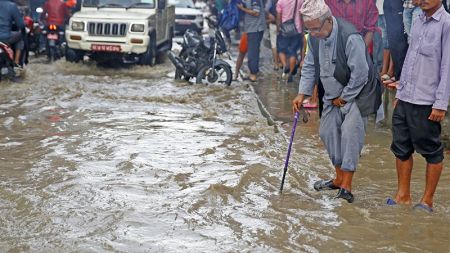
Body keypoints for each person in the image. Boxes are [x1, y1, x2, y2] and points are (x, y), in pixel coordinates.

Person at [292, 0, 370, 203]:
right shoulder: (314, 37)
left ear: (328, 21)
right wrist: (303, 93)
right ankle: (338, 178)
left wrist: (344, 98)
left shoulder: (350, 36)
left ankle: (347, 186)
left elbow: (361, 74)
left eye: (315, 29)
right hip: (330, 95)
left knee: (350, 135)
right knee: (327, 133)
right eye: (309, 30)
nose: (313, 34)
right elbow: (309, 65)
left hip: (355, 93)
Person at [384, 0, 450, 213]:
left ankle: (427, 201)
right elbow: (410, 58)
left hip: (427, 100)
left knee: (432, 151)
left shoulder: (446, 24)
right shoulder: (416, 20)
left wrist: (440, 104)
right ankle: (403, 195)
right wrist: (401, 92)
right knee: (401, 148)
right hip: (406, 97)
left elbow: (447, 67)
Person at [237, 0, 266, 82]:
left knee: (253, 52)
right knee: (254, 51)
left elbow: (256, 13)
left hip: (255, 28)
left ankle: (253, 74)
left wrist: (242, 8)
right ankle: (253, 72)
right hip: (253, 28)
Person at [276, 0, 303, 83]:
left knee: (281, 49)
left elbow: (278, 17)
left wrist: (278, 28)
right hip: (297, 29)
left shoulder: (281, 1)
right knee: (293, 51)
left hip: (284, 29)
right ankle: (290, 74)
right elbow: (302, 15)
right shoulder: (300, 1)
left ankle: (285, 66)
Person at [0, 0, 25, 66]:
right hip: (5, 37)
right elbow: (21, 24)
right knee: (20, 36)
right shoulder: (11, 5)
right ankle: (16, 63)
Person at [265, 0, 280, 70]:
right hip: (284, 25)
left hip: (273, 24)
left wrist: (269, 15)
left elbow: (266, 9)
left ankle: (276, 63)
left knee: (274, 44)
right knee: (281, 43)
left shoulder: (271, 1)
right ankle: (281, 62)